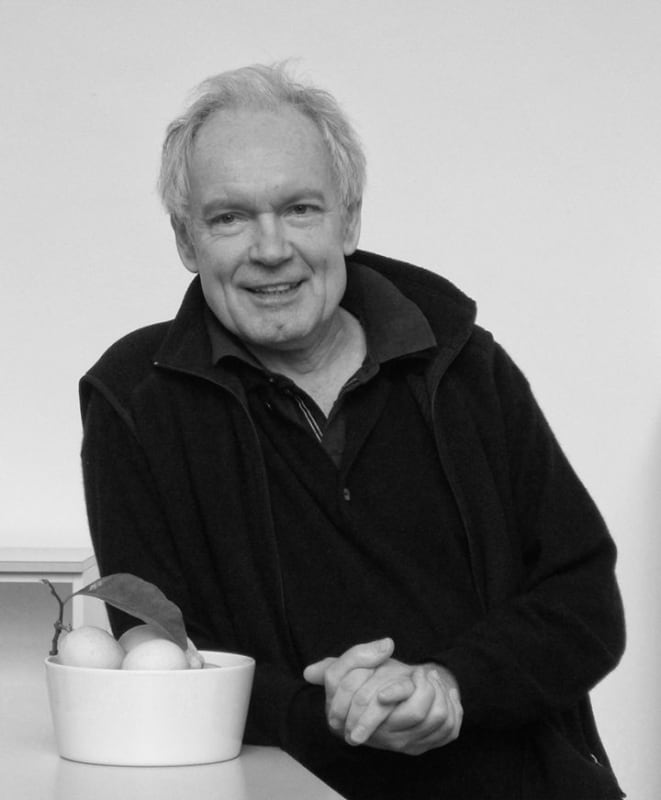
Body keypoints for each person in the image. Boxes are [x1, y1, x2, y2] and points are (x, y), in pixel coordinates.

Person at [79, 63, 625, 799]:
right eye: (229, 217)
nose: (271, 248)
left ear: (350, 217)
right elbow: (161, 650)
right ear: (186, 239)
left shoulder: (466, 364)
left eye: (300, 208)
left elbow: (582, 602)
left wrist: (449, 685)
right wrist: (324, 710)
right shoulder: (131, 399)